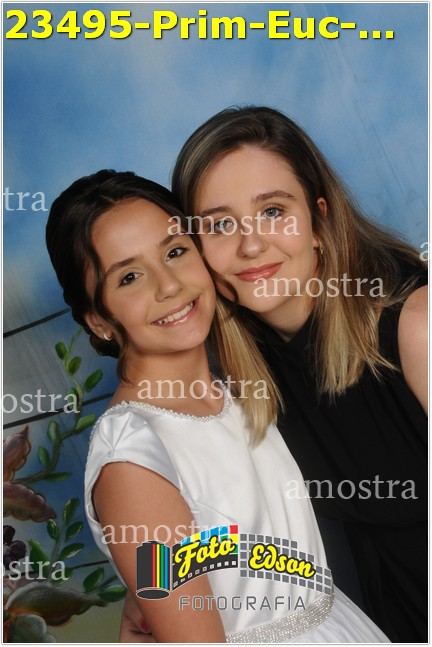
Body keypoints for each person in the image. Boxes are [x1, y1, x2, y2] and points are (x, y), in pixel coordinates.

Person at [45, 170, 389, 643]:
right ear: (99, 320)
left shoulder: (240, 389)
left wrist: (145, 589)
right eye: (129, 277)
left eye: (174, 252)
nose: (169, 286)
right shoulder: (133, 456)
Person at [171, 106, 427, 643]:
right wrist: (155, 587)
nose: (250, 245)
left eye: (272, 211)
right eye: (220, 224)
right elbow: (253, 540)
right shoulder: (235, 378)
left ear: (319, 220)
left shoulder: (417, 324)